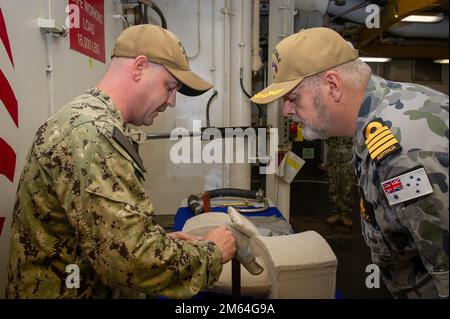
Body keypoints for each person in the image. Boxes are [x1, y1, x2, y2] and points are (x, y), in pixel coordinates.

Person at [6, 25, 236, 299]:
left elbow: (106, 239)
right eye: (170, 87)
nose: (172, 101)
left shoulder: (88, 121)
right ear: (139, 67)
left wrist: (158, 242)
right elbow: (130, 261)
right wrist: (212, 253)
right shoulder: (92, 134)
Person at [251, 27, 448, 298]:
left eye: (292, 98)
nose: (286, 111)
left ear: (333, 85)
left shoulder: (406, 153)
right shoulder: (376, 123)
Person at [325, 137, 356, 227]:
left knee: (347, 188)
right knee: (333, 187)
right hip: (333, 159)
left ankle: (345, 215)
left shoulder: (351, 124)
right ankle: (335, 213)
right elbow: (327, 139)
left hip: (348, 160)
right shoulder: (332, 126)